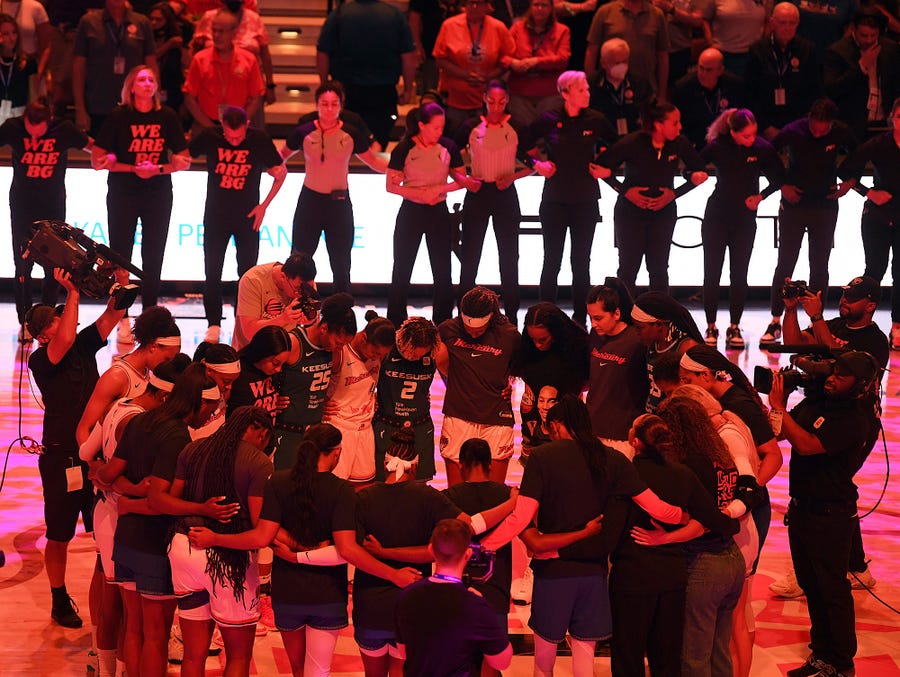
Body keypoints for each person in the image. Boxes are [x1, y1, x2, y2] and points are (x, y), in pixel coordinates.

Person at [188, 423, 421, 676]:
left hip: (288, 595)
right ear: (336, 453)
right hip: (327, 596)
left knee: (299, 670)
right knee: (318, 671)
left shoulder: (278, 481)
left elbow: (261, 536)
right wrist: (394, 574)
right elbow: (347, 550)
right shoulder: (342, 490)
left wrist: (215, 538)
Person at [480, 395, 686, 677]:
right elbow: (657, 508)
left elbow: (520, 518)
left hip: (553, 572)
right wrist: (685, 517)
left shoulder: (543, 457)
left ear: (555, 425)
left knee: (544, 662)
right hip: (594, 574)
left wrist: (483, 546)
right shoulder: (614, 459)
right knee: (584, 657)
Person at [97, 363, 230, 677]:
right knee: (155, 636)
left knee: (133, 629)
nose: (210, 415)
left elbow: (108, 475)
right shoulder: (176, 435)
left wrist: (128, 500)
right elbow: (158, 499)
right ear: (200, 403)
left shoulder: (142, 421)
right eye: (211, 408)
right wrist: (203, 508)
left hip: (126, 541)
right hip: (154, 547)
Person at [354, 429, 516, 676]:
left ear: (384, 462)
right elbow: (469, 527)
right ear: (415, 466)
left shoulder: (362, 498)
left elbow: (349, 551)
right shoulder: (428, 496)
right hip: (411, 603)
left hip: (370, 607)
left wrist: (384, 556)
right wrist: (512, 503)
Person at [24, 266, 129, 629]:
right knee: (59, 533)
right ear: (40, 335)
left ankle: (108, 595)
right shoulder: (40, 359)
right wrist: (71, 292)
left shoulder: (83, 343)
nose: (63, 321)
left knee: (106, 529)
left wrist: (120, 286)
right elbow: (65, 339)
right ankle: (58, 597)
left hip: (96, 454)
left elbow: (111, 316)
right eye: (55, 319)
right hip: (62, 456)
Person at [768, 352, 880, 677]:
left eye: (842, 376)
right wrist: (781, 402)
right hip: (802, 509)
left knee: (832, 591)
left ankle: (842, 665)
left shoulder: (855, 419)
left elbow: (806, 444)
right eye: (835, 370)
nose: (832, 377)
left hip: (831, 516)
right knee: (811, 585)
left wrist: (779, 407)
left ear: (861, 386)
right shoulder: (817, 402)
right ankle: (821, 657)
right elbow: (780, 432)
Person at [610, 413, 740, 677]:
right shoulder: (683, 475)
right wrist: (688, 521)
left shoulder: (624, 475)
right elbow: (720, 522)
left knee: (627, 656)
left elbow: (610, 532)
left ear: (635, 442)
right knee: (667, 658)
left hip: (631, 578)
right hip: (672, 578)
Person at [84, 355, 186, 677]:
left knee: (111, 598)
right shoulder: (141, 421)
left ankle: (103, 666)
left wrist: (99, 472)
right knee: (125, 614)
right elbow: (117, 477)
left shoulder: (119, 405)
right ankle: (112, 669)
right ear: (168, 396)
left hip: (109, 511)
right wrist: (137, 491)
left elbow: (88, 452)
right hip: (122, 516)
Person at [167, 406, 274, 677]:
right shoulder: (258, 462)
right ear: (260, 432)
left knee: (193, 655)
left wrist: (202, 511)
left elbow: (173, 500)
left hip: (184, 546)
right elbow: (260, 529)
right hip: (229, 560)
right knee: (238, 656)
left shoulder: (193, 449)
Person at [91, 64, 191, 331]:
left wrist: (159, 168)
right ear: (131, 87)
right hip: (123, 191)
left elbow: (185, 159)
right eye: (142, 79)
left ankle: (149, 314)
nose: (147, 83)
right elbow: (97, 159)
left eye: (151, 80)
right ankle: (121, 315)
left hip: (158, 192)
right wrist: (131, 167)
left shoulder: (167, 116)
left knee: (154, 253)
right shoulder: (118, 116)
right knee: (121, 255)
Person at [655, 395, 748, 677]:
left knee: (693, 656)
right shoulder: (719, 454)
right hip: (731, 558)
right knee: (718, 651)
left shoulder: (689, 464)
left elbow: (695, 519)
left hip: (704, 562)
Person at [518, 70, 615, 325]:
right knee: (551, 260)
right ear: (565, 93)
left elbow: (615, 146)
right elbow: (522, 143)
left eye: (587, 89)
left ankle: (581, 318)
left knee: (581, 262)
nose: (587, 93)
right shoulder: (549, 119)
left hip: (585, 199)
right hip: (554, 200)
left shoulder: (597, 119)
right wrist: (537, 163)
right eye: (582, 90)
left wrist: (605, 165)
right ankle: (544, 316)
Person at [761, 98, 857, 345]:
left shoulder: (841, 132)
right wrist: (782, 185)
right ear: (809, 118)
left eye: (823, 129)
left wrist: (850, 182)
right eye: (815, 126)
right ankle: (775, 320)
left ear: (831, 124)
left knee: (820, 265)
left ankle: (817, 321)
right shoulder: (793, 131)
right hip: (794, 204)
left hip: (825, 205)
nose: (817, 132)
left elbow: (860, 153)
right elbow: (766, 153)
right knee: (785, 263)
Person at [190, 105, 286, 344]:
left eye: (239, 136)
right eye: (230, 137)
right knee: (212, 272)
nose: (234, 141)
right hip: (215, 215)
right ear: (222, 126)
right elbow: (183, 155)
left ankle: (242, 322)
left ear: (247, 126)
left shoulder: (259, 139)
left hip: (248, 218)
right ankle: (213, 324)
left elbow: (281, 173)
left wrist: (263, 206)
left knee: (247, 274)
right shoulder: (210, 137)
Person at [280, 82, 389, 294]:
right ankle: (295, 311)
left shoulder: (351, 133)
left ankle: (341, 315)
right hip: (309, 202)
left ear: (341, 106)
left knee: (341, 263)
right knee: (298, 261)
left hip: (339, 205)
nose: (329, 109)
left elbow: (374, 162)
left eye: (334, 104)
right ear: (316, 105)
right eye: (324, 104)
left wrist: (401, 171)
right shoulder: (304, 131)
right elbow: (280, 156)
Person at [593, 99, 709, 294]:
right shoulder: (633, 142)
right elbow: (599, 167)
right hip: (630, 213)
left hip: (663, 213)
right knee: (628, 269)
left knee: (659, 270)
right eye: (675, 123)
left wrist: (674, 194)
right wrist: (625, 192)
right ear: (658, 125)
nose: (680, 127)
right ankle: (625, 318)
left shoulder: (679, 143)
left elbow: (700, 171)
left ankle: (659, 319)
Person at [0, 98, 89, 335]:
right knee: (23, 264)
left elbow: (91, 145)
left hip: (53, 207)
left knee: (54, 266)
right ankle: (26, 321)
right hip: (22, 205)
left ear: (49, 122)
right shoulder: (12, 127)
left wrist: (106, 157)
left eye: (40, 133)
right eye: (31, 132)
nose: (35, 138)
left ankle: (47, 318)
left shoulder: (64, 129)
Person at [700, 108, 784, 349]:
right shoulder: (719, 146)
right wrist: (696, 175)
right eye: (745, 136)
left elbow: (779, 177)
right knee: (712, 273)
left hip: (745, 219)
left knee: (739, 274)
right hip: (716, 216)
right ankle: (711, 325)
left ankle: (734, 326)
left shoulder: (761, 148)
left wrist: (761, 196)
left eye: (753, 134)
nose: (750, 140)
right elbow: (695, 163)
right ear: (733, 133)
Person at [385, 102, 469, 326]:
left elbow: (462, 181)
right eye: (434, 127)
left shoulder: (448, 147)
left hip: (438, 211)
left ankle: (443, 321)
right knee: (402, 266)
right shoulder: (404, 149)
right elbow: (391, 186)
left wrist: (437, 189)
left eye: (441, 128)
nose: (438, 132)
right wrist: (418, 194)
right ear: (421, 125)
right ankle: (395, 320)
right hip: (411, 211)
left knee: (443, 269)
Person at [454, 79, 532, 319]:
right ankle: (463, 311)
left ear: (507, 100)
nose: (496, 106)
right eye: (491, 101)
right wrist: (464, 180)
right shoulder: (471, 126)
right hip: (477, 192)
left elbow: (534, 162)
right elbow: (448, 159)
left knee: (509, 254)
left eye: (501, 102)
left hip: (505, 193)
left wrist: (513, 177)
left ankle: (511, 314)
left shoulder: (516, 126)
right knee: (470, 254)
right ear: (484, 100)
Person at [395, 518, 513, 675]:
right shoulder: (476, 606)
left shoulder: (406, 597)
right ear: (468, 554)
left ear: (431, 550)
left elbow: (403, 652)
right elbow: (502, 661)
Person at [437, 287, 521, 485]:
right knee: (457, 494)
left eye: (480, 331)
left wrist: (511, 385)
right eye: (469, 331)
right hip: (458, 416)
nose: (474, 335)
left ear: (491, 318)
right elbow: (442, 365)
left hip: (497, 418)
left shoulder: (510, 336)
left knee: (494, 494)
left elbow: (518, 371)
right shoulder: (447, 330)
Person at [75, 305, 181, 451]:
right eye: (167, 359)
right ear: (153, 347)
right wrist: (93, 463)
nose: (169, 365)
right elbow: (84, 429)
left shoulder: (149, 373)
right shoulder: (117, 377)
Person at [314, 0, 417, 150]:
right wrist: (408, 89)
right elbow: (408, 56)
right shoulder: (394, 15)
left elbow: (323, 52)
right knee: (379, 141)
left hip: (347, 90)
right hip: (382, 90)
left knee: (345, 142)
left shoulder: (339, 14)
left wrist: (325, 86)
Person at [272, 292, 357, 471]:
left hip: (314, 434)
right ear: (324, 328)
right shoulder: (294, 342)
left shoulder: (334, 350)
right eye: (338, 342)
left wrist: (322, 401)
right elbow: (264, 372)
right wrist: (271, 399)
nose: (340, 348)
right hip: (287, 431)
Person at [839, 103, 900, 349]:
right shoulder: (879, 144)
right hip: (878, 215)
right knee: (874, 270)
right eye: (899, 115)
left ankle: (896, 328)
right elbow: (845, 169)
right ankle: (861, 326)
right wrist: (868, 192)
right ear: (892, 118)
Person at [442, 440, 514, 648]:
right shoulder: (508, 495)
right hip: (496, 596)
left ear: (461, 465)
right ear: (490, 464)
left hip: (456, 595)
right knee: (492, 660)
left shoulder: (447, 498)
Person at [324, 312, 396, 484]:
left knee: (363, 488)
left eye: (382, 355)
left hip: (365, 429)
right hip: (340, 428)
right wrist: (318, 404)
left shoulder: (376, 356)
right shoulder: (340, 352)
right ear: (364, 337)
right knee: (334, 488)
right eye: (375, 352)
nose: (377, 357)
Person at [514, 301, 590, 464]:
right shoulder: (527, 346)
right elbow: (519, 372)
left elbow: (589, 381)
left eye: (542, 339)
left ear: (556, 333)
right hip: (532, 423)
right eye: (532, 338)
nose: (537, 344)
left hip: (566, 424)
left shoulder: (578, 346)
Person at [73, 0, 157, 136]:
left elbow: (151, 64)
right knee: (100, 155)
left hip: (135, 104)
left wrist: (153, 102)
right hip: (98, 103)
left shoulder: (142, 22)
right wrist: (80, 108)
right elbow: (79, 67)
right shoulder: (89, 22)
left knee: (133, 155)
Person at [432, 0, 515, 135]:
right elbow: (439, 59)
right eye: (471, 3)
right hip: (455, 99)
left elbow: (507, 59)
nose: (474, 7)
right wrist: (464, 75)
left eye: (479, 3)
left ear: (488, 6)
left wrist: (489, 76)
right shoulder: (450, 25)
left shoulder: (498, 27)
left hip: (487, 102)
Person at [585, 278, 648, 455]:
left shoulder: (636, 342)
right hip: (593, 430)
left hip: (623, 436)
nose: (593, 324)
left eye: (598, 318)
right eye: (590, 318)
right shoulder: (595, 335)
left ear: (617, 313)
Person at [374, 316, 439, 480]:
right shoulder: (385, 349)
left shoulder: (437, 352)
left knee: (418, 487)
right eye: (413, 354)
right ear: (404, 342)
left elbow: (458, 377)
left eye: (421, 355)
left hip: (420, 426)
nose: (417, 358)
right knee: (382, 485)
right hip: (387, 425)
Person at [744, 2, 821, 141]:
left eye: (792, 23)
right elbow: (750, 94)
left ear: (798, 24)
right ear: (772, 23)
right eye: (782, 23)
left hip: (799, 123)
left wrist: (800, 125)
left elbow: (814, 91)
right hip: (765, 124)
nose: (787, 28)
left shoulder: (807, 50)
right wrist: (765, 126)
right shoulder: (758, 50)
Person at [824, 6, 900, 141]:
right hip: (853, 127)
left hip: (884, 124)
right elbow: (832, 90)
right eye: (864, 35)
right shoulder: (838, 51)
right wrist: (861, 67)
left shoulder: (890, 48)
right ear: (854, 29)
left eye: (873, 35)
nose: (869, 40)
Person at [182, 8, 264, 133]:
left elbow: (256, 97)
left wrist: (240, 124)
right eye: (214, 30)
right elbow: (189, 97)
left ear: (234, 32)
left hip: (237, 128)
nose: (216, 36)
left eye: (221, 31)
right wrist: (210, 127)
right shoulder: (200, 59)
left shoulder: (248, 59)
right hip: (204, 127)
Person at [629, 291, 704, 412]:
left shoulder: (686, 347)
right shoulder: (652, 345)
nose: (636, 332)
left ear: (658, 324)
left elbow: (697, 395)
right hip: (653, 416)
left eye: (640, 327)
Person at [231, 251, 317, 351]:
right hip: (250, 352)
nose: (300, 294)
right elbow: (250, 333)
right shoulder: (253, 280)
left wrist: (309, 322)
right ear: (283, 276)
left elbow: (315, 326)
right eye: (297, 289)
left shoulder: (306, 286)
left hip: (285, 353)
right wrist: (283, 319)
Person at [504, 0, 570, 128]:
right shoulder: (517, 28)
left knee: (546, 134)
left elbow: (563, 59)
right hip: (519, 94)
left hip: (549, 94)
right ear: (530, 7)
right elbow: (502, 55)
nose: (540, 8)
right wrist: (513, 63)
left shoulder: (562, 30)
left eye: (544, 5)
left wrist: (536, 62)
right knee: (522, 134)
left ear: (551, 8)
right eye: (536, 5)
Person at [584, 0, 670, 98]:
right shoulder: (605, 12)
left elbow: (663, 55)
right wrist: (590, 87)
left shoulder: (657, 15)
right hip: (607, 90)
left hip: (646, 90)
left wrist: (662, 94)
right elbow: (591, 52)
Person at [672, 47, 747, 148]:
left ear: (720, 70)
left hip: (726, 143)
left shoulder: (734, 85)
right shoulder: (683, 88)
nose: (703, 74)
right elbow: (679, 126)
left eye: (709, 70)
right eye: (701, 68)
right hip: (695, 144)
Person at [589, 38, 654, 140]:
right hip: (604, 142)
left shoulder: (640, 84)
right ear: (603, 63)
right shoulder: (591, 86)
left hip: (635, 140)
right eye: (617, 63)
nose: (622, 67)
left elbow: (650, 116)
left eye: (625, 61)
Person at [227, 325, 292, 419]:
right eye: (275, 363)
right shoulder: (237, 371)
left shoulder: (274, 375)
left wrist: (274, 403)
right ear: (262, 352)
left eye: (282, 364)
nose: (278, 369)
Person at [701, 0, 770, 77]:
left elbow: (768, 21)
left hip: (753, 56)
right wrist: (710, 43)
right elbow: (705, 20)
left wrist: (763, 44)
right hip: (724, 55)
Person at [190, 341, 243, 439]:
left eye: (233, 382)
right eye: (226, 381)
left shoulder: (224, 393)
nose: (229, 387)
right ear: (209, 370)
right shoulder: (191, 397)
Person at [0, 14, 37, 125]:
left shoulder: (28, 62)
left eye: (14, 32)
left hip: (20, 115)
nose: (12, 38)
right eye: (6, 34)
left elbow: (34, 95)